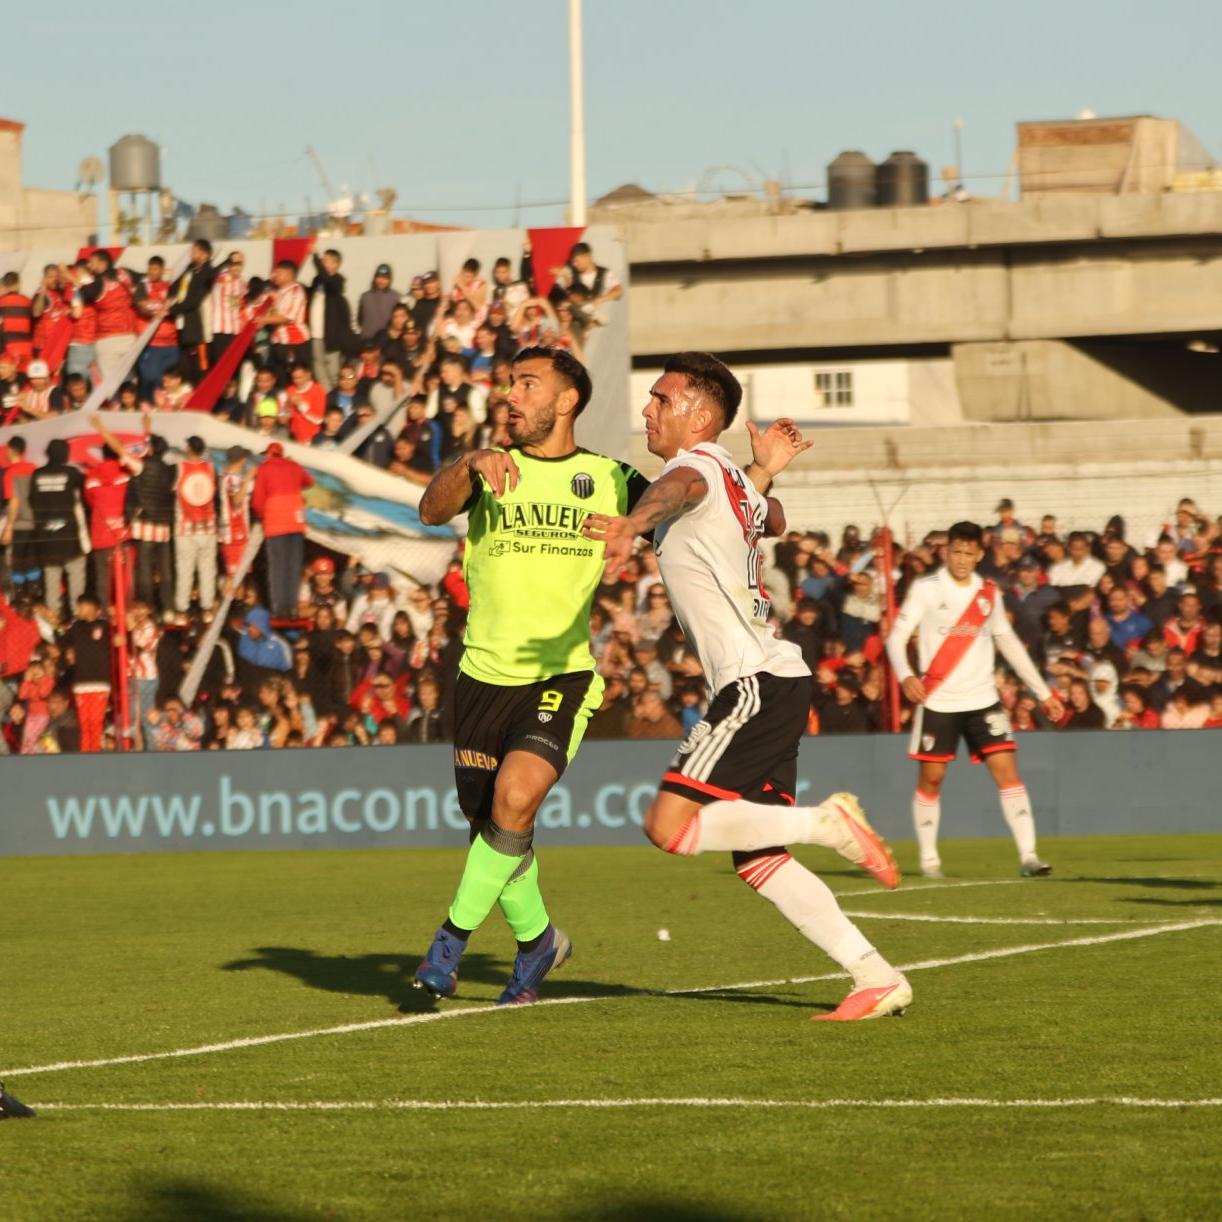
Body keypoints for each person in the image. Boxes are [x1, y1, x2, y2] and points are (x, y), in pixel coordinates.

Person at [582, 351, 908, 1023]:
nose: (647, 409)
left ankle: (826, 822)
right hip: (777, 677)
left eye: (660, 399)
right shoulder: (732, 473)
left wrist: (632, 524)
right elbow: (773, 518)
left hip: (751, 680)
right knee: (758, 860)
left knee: (667, 827)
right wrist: (760, 473)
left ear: (699, 417)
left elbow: (678, 493)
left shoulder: (693, 467)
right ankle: (875, 976)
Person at [411, 346, 649, 1008]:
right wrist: (467, 462)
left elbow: (677, 501)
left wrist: (753, 489)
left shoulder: (608, 476)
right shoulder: (490, 468)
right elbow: (430, 511)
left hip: (561, 675)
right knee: (495, 827)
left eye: (527, 384)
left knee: (515, 800)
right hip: (480, 677)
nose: (511, 394)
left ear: (566, 402)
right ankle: (538, 941)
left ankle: (448, 945)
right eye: (510, 383)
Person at [885, 520, 1066, 880]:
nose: (963, 559)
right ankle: (929, 861)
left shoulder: (989, 593)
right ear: (946, 551)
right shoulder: (925, 589)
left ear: (980, 554)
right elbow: (896, 638)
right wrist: (906, 675)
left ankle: (1029, 856)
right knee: (931, 780)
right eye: (956, 552)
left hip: (983, 699)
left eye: (970, 553)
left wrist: (1044, 692)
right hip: (938, 701)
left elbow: (1009, 642)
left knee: (1008, 774)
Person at [251, 442, 313, 618]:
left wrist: (264, 516)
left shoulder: (264, 469)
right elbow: (309, 481)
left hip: (275, 524)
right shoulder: (293, 466)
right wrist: (295, 466)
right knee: (293, 567)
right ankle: (292, 608)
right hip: (296, 522)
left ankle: (279, 609)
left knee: (277, 567)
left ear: (269, 454)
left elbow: (257, 501)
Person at [29, 438, 90, 617]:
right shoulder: (72, 473)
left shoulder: (36, 475)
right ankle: (78, 621)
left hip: (47, 539)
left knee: (51, 586)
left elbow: (32, 502)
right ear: (65, 454)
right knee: (77, 583)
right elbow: (87, 493)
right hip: (71, 538)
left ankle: (53, 626)